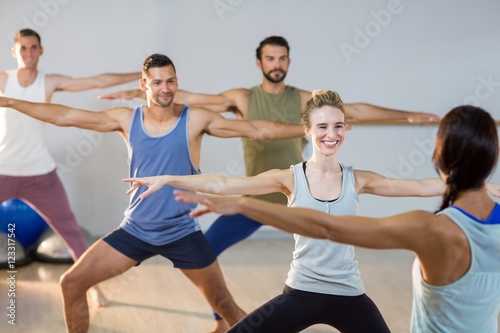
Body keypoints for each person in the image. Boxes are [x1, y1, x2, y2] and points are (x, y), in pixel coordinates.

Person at [102, 36, 442, 330]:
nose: (276, 64)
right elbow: (196, 117)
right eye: (270, 58)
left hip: (305, 206)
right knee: (208, 249)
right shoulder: (244, 98)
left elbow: (358, 114)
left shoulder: (305, 101)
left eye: (282, 58)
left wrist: (405, 114)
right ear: (259, 62)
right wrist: (147, 93)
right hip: (266, 194)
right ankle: (223, 319)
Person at [123, 90, 487, 332]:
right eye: (323, 127)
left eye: (338, 126)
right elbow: (223, 184)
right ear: (307, 131)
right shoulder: (289, 178)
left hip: (349, 293)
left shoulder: (358, 179)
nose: (332, 134)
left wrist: (479, 185)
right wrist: (169, 177)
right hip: (300, 291)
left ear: (347, 129)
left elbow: (421, 186)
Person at [0, 53, 307, 333]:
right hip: (136, 230)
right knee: (71, 283)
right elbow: (64, 116)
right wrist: (12, 103)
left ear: (177, 81)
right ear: (143, 84)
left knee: (225, 307)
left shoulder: (195, 119)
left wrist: (309, 128)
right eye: (157, 81)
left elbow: (258, 130)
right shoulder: (126, 119)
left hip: (182, 232)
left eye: (170, 80)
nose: (165, 88)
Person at [0, 28, 141, 306]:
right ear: (14, 52)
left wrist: (140, 75)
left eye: (33, 48)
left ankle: (93, 288)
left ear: (41, 51)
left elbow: (97, 81)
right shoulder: (4, 80)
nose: (28, 53)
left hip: (40, 173)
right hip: (3, 170)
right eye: (23, 48)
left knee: (71, 232)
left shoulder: (49, 82)